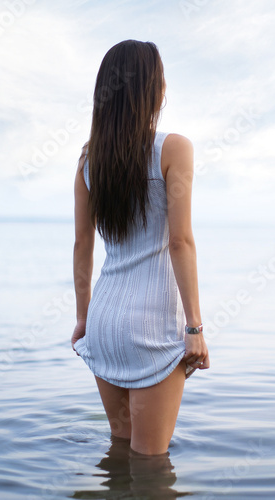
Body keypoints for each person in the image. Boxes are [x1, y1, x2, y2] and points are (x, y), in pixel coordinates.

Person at [71, 40, 210, 456]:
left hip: (104, 322)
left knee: (119, 452)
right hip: (151, 327)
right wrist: (195, 328)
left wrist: (83, 317)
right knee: (151, 465)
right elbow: (180, 241)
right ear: (154, 89)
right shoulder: (174, 148)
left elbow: (82, 245)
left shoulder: (88, 161)